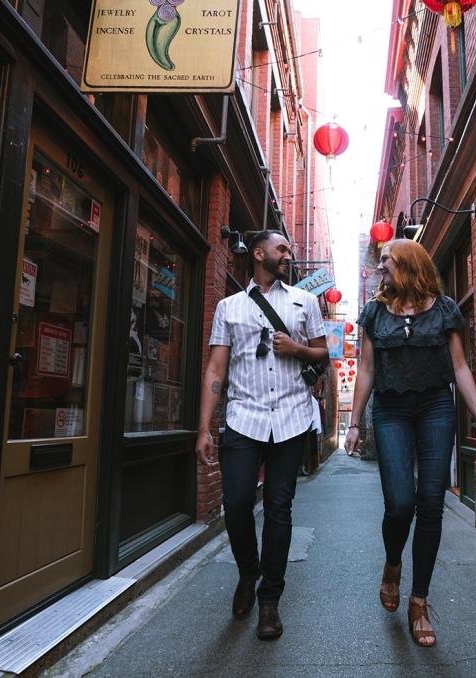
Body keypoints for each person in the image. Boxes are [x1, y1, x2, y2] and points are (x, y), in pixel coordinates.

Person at [344, 238, 476, 648]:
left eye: (386, 263)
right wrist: (355, 423)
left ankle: (419, 602)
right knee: (399, 503)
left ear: (408, 265)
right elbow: (366, 370)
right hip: (390, 410)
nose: (381, 270)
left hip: (435, 408)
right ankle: (393, 564)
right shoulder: (376, 312)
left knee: (431, 502)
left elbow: (460, 368)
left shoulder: (445, 309)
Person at [196, 230, 328, 640]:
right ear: (258, 254)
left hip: (291, 417)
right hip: (243, 418)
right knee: (235, 503)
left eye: (289, 248)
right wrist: (204, 427)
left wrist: (298, 350)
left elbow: (325, 351)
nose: (289, 254)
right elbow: (217, 369)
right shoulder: (228, 307)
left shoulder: (305, 302)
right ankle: (247, 572)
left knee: (279, 509)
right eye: (282, 248)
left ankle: (270, 599)